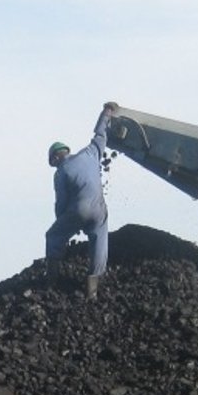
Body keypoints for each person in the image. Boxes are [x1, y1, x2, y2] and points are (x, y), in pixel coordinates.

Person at [46, 102, 119, 297]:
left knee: (53, 236)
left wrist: (64, 223)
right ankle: (92, 289)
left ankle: (52, 281)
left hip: (78, 210)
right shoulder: (91, 153)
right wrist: (107, 112)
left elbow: (61, 202)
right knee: (99, 237)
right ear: (67, 151)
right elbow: (101, 135)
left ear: (55, 159)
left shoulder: (61, 172)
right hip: (99, 208)